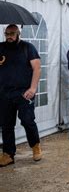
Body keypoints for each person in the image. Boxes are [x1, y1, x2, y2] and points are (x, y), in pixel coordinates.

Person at [0, 24, 42, 167]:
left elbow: (37, 68)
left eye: (12, 33)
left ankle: (35, 146)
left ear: (18, 34)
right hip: (4, 93)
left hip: (24, 93)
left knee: (27, 120)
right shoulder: (1, 48)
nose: (9, 36)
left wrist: (33, 88)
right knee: (6, 125)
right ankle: (8, 154)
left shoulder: (27, 48)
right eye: (7, 33)